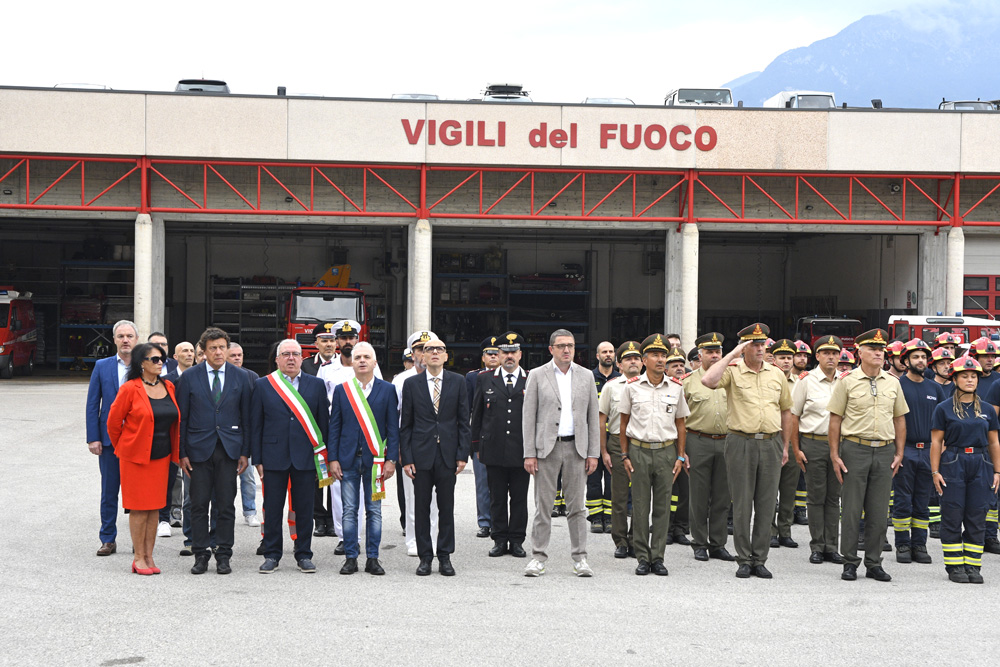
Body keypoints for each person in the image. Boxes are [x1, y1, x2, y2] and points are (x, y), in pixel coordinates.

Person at [702, 323, 792, 579]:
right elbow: (708, 380)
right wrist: (731, 354)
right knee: (742, 504)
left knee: (766, 504)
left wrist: (784, 446)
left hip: (771, 442)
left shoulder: (776, 374)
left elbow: (786, 410)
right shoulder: (732, 372)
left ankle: (759, 558)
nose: (761, 348)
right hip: (741, 442)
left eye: (763, 343)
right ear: (744, 347)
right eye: (754, 343)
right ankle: (743, 558)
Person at [828, 328, 908, 583]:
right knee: (851, 510)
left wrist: (899, 452)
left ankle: (874, 563)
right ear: (859, 352)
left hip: (884, 450)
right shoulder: (847, 381)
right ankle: (850, 562)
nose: (878, 353)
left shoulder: (893, 383)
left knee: (878, 511)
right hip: (855, 449)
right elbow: (835, 419)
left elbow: (899, 419)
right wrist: (834, 454)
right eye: (872, 349)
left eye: (881, 349)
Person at [522, 329, 601, 578]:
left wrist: (593, 453)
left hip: (577, 448)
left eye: (571, 345)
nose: (567, 350)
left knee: (577, 507)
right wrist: (529, 453)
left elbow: (593, 417)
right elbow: (528, 417)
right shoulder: (536, 375)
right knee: (543, 506)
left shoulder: (586, 376)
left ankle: (580, 558)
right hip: (547, 448)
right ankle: (538, 557)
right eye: (561, 346)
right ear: (551, 349)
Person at [176, 328, 252, 575]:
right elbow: (182, 418)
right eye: (213, 348)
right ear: (204, 352)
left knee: (226, 504)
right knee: (198, 504)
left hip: (229, 450)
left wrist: (245, 452)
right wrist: (182, 452)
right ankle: (200, 553)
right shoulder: (189, 377)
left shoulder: (241, 377)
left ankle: (223, 553)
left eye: (222, 347)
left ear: (228, 349)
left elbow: (246, 417)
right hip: (198, 451)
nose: (218, 352)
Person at [250, 339, 330, 573]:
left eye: (296, 354)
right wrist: (258, 459)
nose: (291, 358)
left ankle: (304, 554)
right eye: (285, 354)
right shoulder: (264, 385)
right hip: (273, 456)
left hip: (306, 456)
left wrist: (323, 457)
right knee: (273, 507)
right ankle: (272, 554)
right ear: (277, 359)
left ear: (302, 358)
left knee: (305, 508)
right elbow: (257, 424)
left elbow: (322, 424)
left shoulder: (316, 385)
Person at [106, 341, 180, 575]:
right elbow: (113, 423)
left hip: (162, 457)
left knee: (155, 508)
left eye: (162, 359)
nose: (160, 364)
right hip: (135, 459)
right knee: (139, 508)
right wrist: (125, 447)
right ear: (141, 364)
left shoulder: (169, 386)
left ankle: (149, 556)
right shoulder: (130, 388)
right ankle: (138, 557)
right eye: (155, 359)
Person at [619, 334, 690, 576]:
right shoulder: (632, 387)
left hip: (666, 452)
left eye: (663, 355)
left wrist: (680, 456)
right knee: (640, 507)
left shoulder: (676, 388)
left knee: (662, 508)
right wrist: (625, 455)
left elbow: (681, 424)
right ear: (644, 359)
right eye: (655, 355)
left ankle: (658, 557)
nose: (661, 360)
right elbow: (623, 424)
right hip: (638, 451)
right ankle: (642, 557)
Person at [400, 338, 470, 576]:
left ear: (446, 356)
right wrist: (407, 458)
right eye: (430, 350)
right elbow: (406, 425)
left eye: (440, 350)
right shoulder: (412, 384)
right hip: (420, 456)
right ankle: (425, 556)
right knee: (421, 507)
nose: (435, 353)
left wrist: (462, 455)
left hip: (448, 455)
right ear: (422, 356)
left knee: (446, 507)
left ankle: (445, 555)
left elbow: (463, 421)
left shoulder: (458, 382)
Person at [328, 342, 399, 575]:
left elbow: (392, 428)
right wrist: (333, 458)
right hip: (347, 460)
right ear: (352, 362)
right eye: (357, 357)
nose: (361, 360)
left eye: (366, 357)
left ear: (374, 362)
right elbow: (334, 427)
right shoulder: (342, 390)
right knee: (349, 510)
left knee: (374, 511)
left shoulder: (387, 390)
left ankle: (373, 558)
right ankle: (350, 557)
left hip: (376, 460)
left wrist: (392, 460)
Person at [931, 355, 1000, 583]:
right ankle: (954, 567)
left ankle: (973, 565)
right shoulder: (943, 408)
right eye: (964, 376)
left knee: (977, 515)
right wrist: (935, 471)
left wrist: (997, 472)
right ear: (955, 378)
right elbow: (936, 442)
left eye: (974, 376)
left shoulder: (988, 409)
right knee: (952, 514)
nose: (970, 380)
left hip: (981, 462)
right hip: (953, 461)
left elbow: (994, 442)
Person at [471, 332, 530, 558]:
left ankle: (516, 540)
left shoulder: (530, 378)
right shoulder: (485, 378)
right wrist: (475, 446)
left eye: (513, 352)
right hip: (493, 449)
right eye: (504, 352)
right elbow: (476, 415)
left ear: (520, 355)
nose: (508, 356)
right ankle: (499, 539)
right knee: (496, 498)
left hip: (521, 449)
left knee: (519, 498)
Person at [790, 335, 844, 565]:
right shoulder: (806, 381)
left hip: (839, 446)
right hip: (813, 442)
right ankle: (817, 546)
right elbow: (794, 416)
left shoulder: (846, 380)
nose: (831, 357)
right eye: (826, 353)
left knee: (833, 498)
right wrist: (796, 448)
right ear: (818, 356)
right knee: (815, 497)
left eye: (835, 353)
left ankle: (831, 546)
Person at [86, 319, 138, 556]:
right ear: (114, 340)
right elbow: (92, 404)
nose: (125, 340)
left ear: (136, 340)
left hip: (138, 441)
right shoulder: (102, 366)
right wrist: (93, 437)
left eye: (129, 336)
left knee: (136, 494)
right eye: (121, 336)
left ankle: (139, 540)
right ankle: (108, 539)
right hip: (108, 442)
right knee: (109, 492)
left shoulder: (144, 366)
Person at [683, 332, 735, 563]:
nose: (715, 356)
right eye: (710, 352)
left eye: (718, 352)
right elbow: (680, 420)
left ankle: (718, 544)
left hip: (726, 441)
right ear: (700, 355)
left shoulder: (732, 378)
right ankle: (699, 543)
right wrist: (682, 450)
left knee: (723, 497)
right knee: (699, 496)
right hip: (698, 441)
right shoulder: (687, 381)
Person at [891, 338, 942, 565]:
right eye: (915, 357)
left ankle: (919, 544)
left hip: (929, 451)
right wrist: (896, 452)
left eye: (923, 357)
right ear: (905, 360)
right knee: (903, 500)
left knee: (923, 501)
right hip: (906, 451)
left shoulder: (936, 389)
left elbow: (944, 424)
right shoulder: (897, 386)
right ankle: (902, 543)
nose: (920, 361)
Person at [394, 330, 440, 557]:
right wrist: (400, 449)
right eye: (419, 349)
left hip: (437, 446)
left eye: (428, 348)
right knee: (412, 498)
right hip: (412, 445)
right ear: (412, 353)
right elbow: (397, 417)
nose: (424, 353)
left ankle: (432, 538)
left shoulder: (442, 376)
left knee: (434, 500)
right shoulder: (401, 380)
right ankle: (412, 539)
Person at [599, 341, 642, 559]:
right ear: (619, 364)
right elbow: (601, 420)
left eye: (636, 358)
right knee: (619, 495)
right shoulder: (611, 386)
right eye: (627, 358)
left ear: (642, 362)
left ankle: (637, 540)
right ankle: (621, 541)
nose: (632, 361)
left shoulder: (649, 384)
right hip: (617, 441)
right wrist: (604, 451)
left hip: (642, 443)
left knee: (641, 496)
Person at [466, 336, 500, 539]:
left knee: (502, 483)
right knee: (482, 482)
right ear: (483, 357)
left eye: (497, 353)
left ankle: (499, 521)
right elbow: (469, 409)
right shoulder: (473, 378)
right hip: (482, 436)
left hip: (504, 438)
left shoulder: (513, 376)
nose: (493, 356)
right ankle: (485, 522)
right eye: (490, 353)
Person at [768, 339, 801, 550]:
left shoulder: (801, 382)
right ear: (774, 360)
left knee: (789, 490)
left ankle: (785, 531)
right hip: (772, 439)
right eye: (782, 358)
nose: (786, 361)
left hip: (793, 440)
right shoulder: (769, 380)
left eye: (789, 357)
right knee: (769, 490)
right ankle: (769, 531)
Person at [970, 338, 1000, 551]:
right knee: (988, 493)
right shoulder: (967, 379)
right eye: (986, 356)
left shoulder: (997, 380)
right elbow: (991, 420)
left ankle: (990, 534)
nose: (990, 359)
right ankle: (985, 535)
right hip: (981, 445)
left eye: (993, 356)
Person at [588, 341, 620, 533]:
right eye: (604, 352)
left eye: (610, 351)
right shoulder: (588, 378)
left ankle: (609, 517)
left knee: (612, 479)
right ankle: (595, 517)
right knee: (592, 480)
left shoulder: (620, 379)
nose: (608, 355)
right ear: (597, 356)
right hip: (593, 436)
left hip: (614, 437)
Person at [227, 342, 260, 528]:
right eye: (233, 355)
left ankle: (250, 512)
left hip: (244, 434)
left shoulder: (252, 376)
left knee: (247, 476)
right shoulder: (221, 377)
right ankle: (227, 512)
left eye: (240, 355)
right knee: (225, 479)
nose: (238, 358)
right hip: (226, 435)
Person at [664, 346, 692, 546]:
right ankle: (666, 527)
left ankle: (681, 528)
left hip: (692, 440)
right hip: (670, 442)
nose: (679, 368)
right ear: (666, 369)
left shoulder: (691, 385)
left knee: (685, 490)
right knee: (667, 490)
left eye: (682, 365)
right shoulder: (666, 387)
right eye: (674, 366)